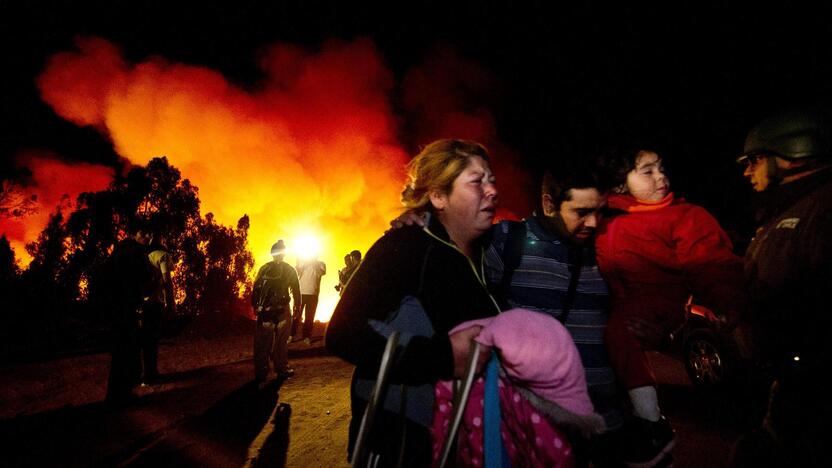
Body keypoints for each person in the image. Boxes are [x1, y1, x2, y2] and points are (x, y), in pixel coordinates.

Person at [325, 139, 501, 467]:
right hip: (402, 443)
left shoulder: (493, 251)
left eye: (492, 180)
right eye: (477, 182)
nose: (491, 190)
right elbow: (342, 333)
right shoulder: (403, 248)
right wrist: (442, 356)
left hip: (466, 443)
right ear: (438, 195)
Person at [595, 147, 745, 467]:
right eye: (648, 171)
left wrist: (726, 301)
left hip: (658, 300)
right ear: (621, 184)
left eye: (661, 168)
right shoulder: (606, 216)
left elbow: (712, 263)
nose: (661, 176)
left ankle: (651, 422)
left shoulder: (685, 216)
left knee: (620, 332)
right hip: (621, 301)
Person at [482, 162, 625, 467]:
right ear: (549, 204)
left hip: (603, 423)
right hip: (531, 426)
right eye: (581, 212)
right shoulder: (507, 242)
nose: (593, 223)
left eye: (600, 211)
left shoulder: (610, 247)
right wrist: (419, 219)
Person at [731, 108, 832, 467]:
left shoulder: (821, 210)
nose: (747, 171)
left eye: (755, 160)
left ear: (791, 155)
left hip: (814, 392)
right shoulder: (788, 209)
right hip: (790, 384)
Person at [105, 223, 156, 405]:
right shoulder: (134, 251)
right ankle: (122, 395)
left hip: (116, 306)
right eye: (144, 232)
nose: (147, 237)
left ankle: (115, 393)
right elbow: (144, 275)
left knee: (121, 350)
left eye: (149, 233)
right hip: (126, 307)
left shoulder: (119, 249)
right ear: (135, 234)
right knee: (129, 349)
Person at [251, 239, 301, 382]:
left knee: (263, 344)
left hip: (265, 312)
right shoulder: (289, 269)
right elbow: (296, 290)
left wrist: (255, 306)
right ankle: (281, 369)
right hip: (282, 312)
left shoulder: (264, 269)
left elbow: (256, 288)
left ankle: (261, 371)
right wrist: (298, 306)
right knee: (281, 343)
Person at [138, 233, 176, 385]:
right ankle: (150, 376)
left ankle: (147, 374)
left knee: (146, 341)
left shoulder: (146, 257)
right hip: (155, 304)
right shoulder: (163, 256)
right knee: (152, 341)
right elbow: (167, 281)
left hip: (143, 303)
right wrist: (170, 303)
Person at [293, 255, 326, 345]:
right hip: (301, 293)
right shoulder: (302, 261)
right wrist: (302, 262)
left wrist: (313, 262)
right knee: (296, 315)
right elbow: (297, 272)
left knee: (310, 316)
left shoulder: (321, 264)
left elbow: (321, 272)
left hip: (313, 294)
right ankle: (291, 335)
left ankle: (306, 336)